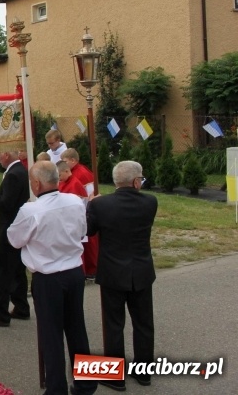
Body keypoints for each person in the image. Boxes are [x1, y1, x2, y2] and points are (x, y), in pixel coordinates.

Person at [7, 161, 98, 395]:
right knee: (77, 328)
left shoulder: (31, 210)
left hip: (48, 277)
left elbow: (14, 239)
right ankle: (87, 384)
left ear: (36, 183)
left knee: (51, 334)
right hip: (74, 272)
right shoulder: (75, 202)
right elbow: (82, 231)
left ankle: (56, 388)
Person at [87, 160, 157, 390]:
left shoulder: (101, 205)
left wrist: (91, 206)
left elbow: (88, 230)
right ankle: (144, 372)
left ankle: (114, 377)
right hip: (141, 270)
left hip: (112, 271)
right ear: (136, 182)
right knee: (143, 323)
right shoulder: (150, 202)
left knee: (114, 324)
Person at [0, 150, 31, 326]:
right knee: (17, 270)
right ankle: (21, 306)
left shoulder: (13, 175)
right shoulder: (21, 171)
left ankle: (1, 312)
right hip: (19, 228)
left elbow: (6, 203)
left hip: (10, 228)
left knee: (3, 271)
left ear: (7, 154)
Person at [61, 147, 98, 278]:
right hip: (82, 210)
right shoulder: (75, 171)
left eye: (65, 161)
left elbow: (90, 193)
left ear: (73, 160)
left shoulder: (81, 173)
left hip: (86, 210)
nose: (63, 164)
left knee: (89, 243)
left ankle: (91, 269)